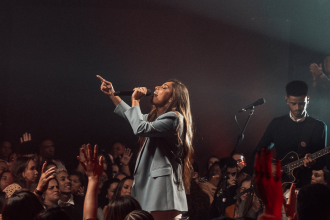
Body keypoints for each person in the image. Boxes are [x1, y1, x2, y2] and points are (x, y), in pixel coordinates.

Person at [97, 75, 194, 220]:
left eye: (164, 87)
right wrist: (112, 94)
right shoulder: (157, 120)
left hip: (162, 193)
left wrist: (135, 100)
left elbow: (139, 128)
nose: (156, 87)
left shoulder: (174, 118)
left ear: (172, 98)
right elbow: (132, 116)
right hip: (154, 191)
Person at [252, 80, 327, 188]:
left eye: (302, 103)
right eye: (293, 103)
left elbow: (323, 161)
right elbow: (257, 153)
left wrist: (313, 163)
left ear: (308, 99)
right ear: (286, 100)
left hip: (305, 186)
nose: (297, 108)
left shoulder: (319, 126)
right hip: (278, 185)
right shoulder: (277, 123)